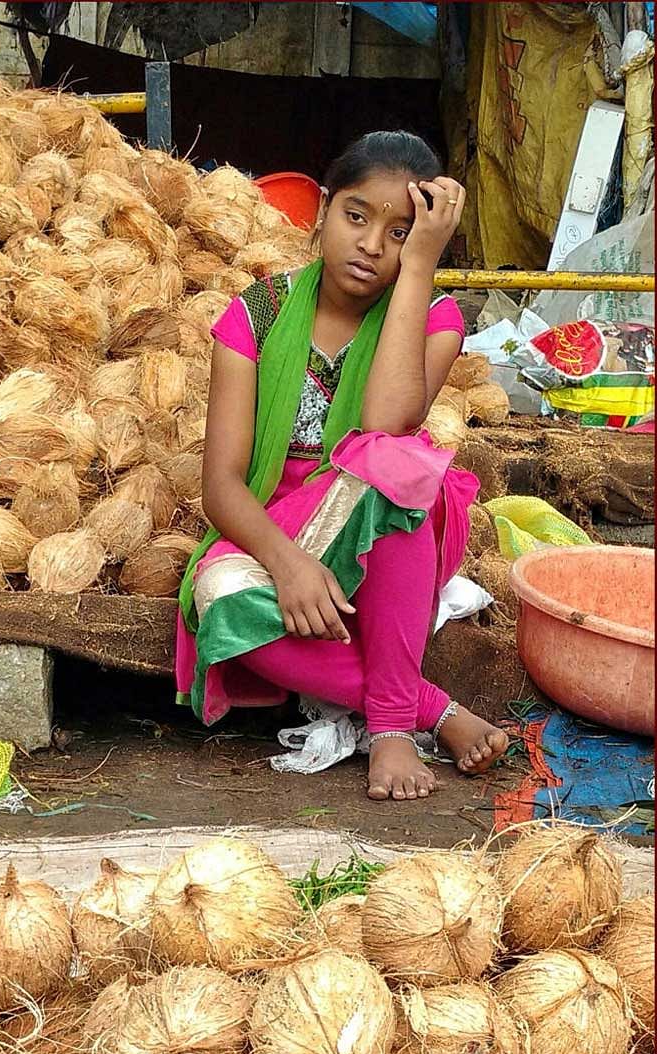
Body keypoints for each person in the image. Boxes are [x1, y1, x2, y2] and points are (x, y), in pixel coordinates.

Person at [176, 131, 509, 802]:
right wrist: (288, 563)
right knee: (223, 610)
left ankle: (389, 725)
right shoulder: (257, 316)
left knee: (394, 465)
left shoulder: (435, 316)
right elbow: (222, 485)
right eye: (356, 216)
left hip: (386, 527)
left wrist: (419, 269)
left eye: (399, 232)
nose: (370, 244)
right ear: (323, 210)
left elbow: (388, 423)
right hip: (277, 527)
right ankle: (434, 710)